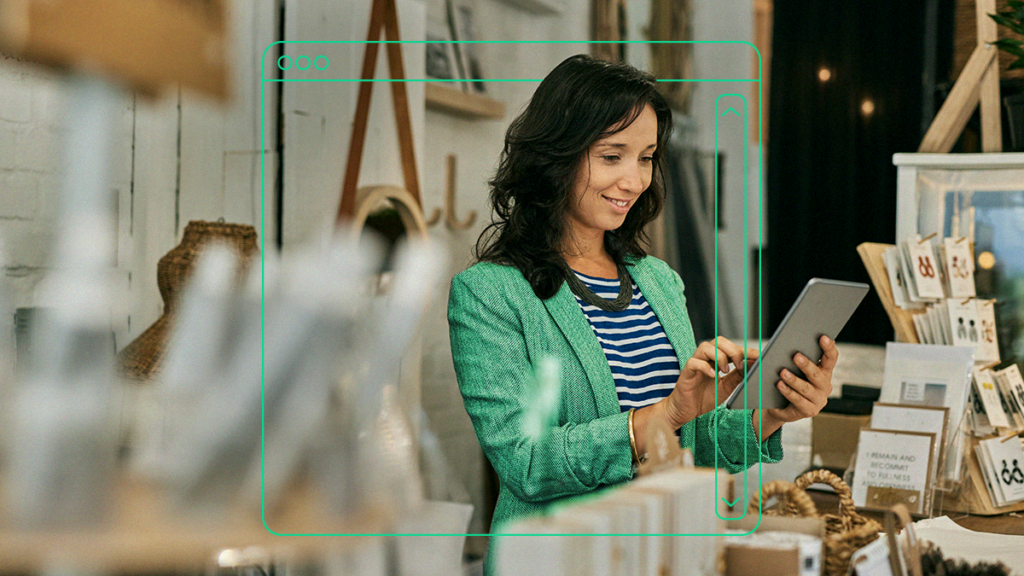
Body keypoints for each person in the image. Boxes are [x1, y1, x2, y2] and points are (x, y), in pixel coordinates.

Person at [447, 54, 836, 572]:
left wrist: (769, 413)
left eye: (647, 157)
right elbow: (527, 461)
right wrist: (666, 414)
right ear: (556, 155)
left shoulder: (657, 280)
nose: (634, 180)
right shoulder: (491, 294)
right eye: (612, 156)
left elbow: (690, 452)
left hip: (666, 555)